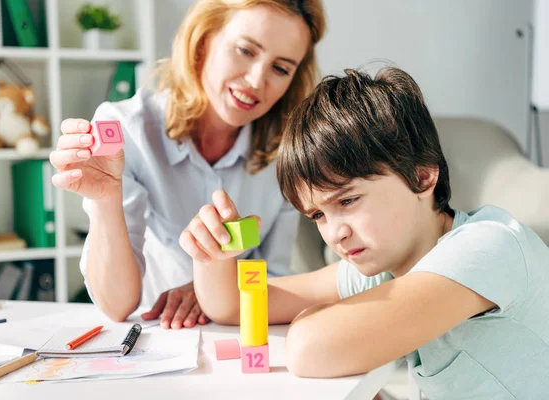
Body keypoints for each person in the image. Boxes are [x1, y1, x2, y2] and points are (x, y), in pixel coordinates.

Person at [183, 67, 549, 399]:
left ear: (422, 176)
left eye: (348, 201)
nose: (334, 234)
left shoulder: (487, 247)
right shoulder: (387, 265)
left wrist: (315, 317)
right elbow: (236, 304)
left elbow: (310, 349)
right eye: (317, 215)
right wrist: (211, 254)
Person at [49, 0, 326, 327]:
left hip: (237, 335)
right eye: (245, 51)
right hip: (156, 336)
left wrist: (211, 287)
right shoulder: (129, 130)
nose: (255, 80)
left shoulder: (286, 151)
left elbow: (275, 276)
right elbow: (116, 306)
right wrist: (107, 199)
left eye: (280, 68)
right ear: (204, 39)